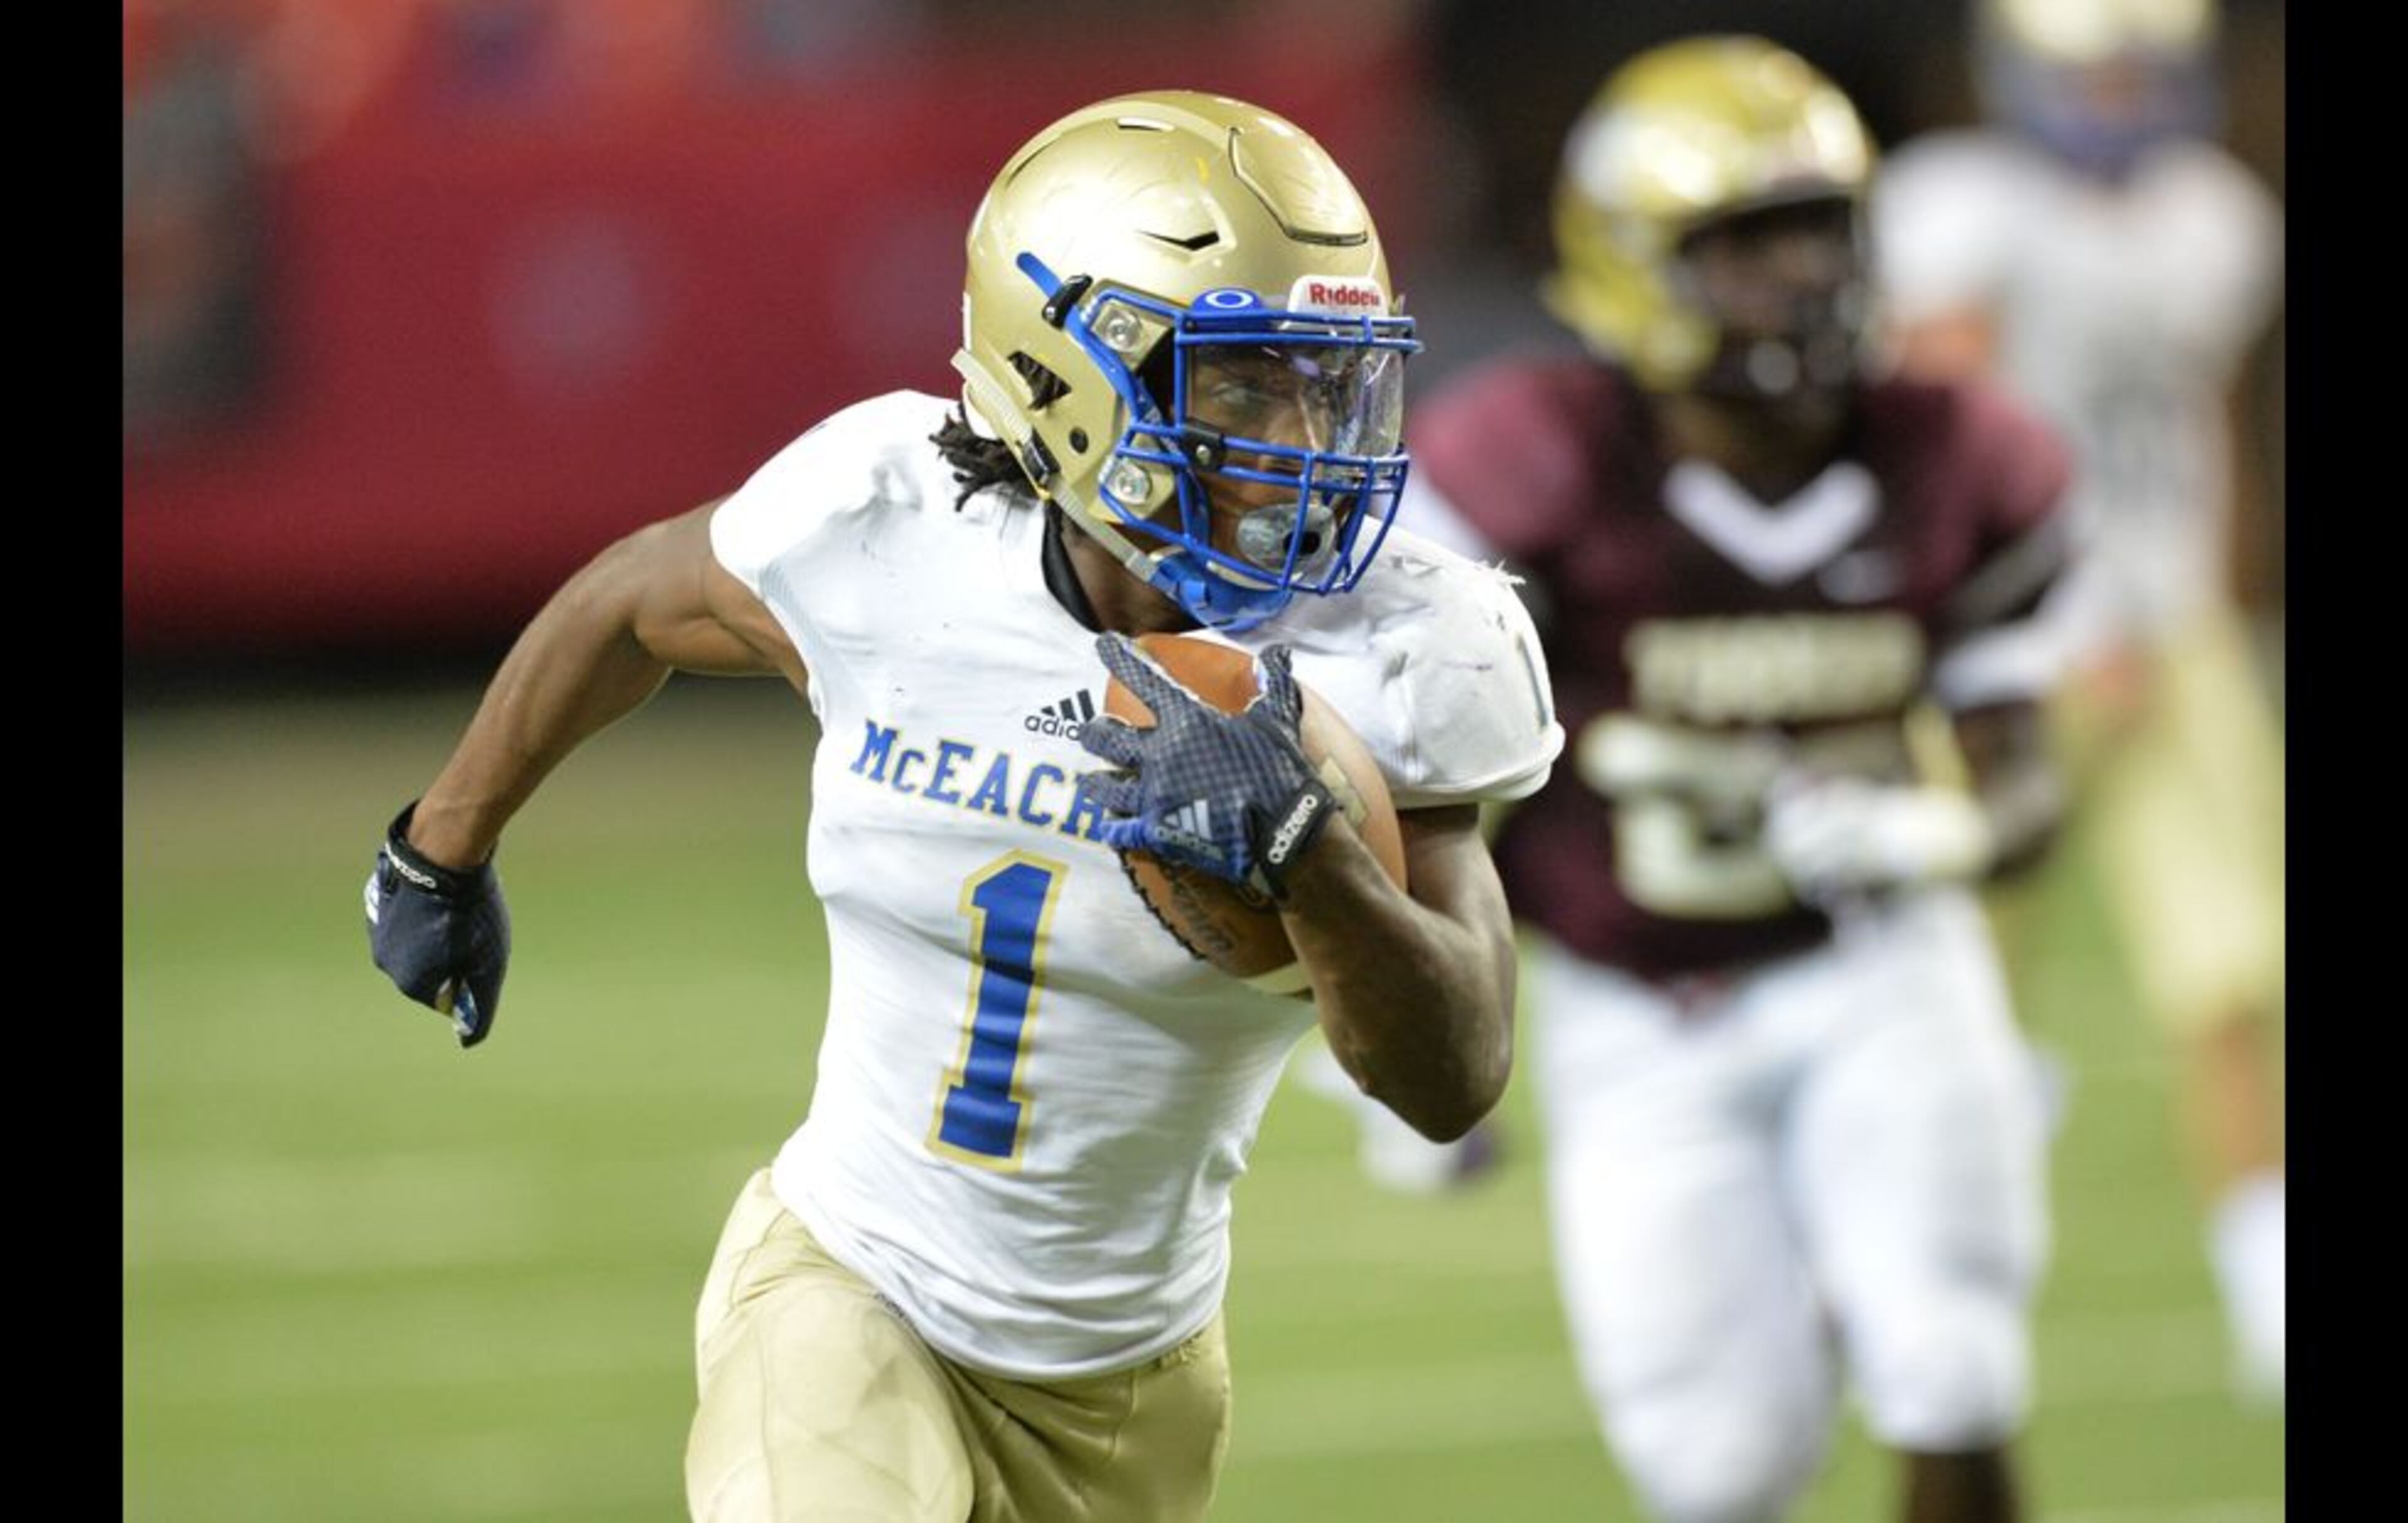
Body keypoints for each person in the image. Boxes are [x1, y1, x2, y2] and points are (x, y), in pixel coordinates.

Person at [359, 89, 1560, 1521]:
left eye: (1325, 379)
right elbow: (635, 603)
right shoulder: (888, 524)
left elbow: (1453, 1074)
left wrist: (1307, 856)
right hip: (848, 1282)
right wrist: (440, 849)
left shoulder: (1405, 647)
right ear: (1065, 377)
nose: (1302, 438)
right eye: (1244, 386)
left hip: (1132, 1377)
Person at [1348, 37, 2075, 1523]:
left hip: (1881, 965)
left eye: (1819, 229)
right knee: (1718, 1464)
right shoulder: (1527, 462)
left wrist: (1936, 829)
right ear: (1630, 266)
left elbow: (2027, 781)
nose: (1801, 275)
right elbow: (1417, 773)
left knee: (1952, 1363)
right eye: (1744, 242)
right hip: (1635, 1006)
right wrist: (1406, 1016)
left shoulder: (1960, 453)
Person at [1872, 0, 2285, 1406]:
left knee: (2228, 975)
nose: (2113, 98)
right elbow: (1946, 435)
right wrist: (2058, 609)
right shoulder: (1965, 211)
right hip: (2012, 646)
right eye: (2088, 70)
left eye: (2136, 71)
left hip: (2173, 636)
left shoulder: (2213, 217)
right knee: (1940, 982)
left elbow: (2210, 428)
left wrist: (2206, 599)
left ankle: (2268, 1288)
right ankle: (1911, 1278)